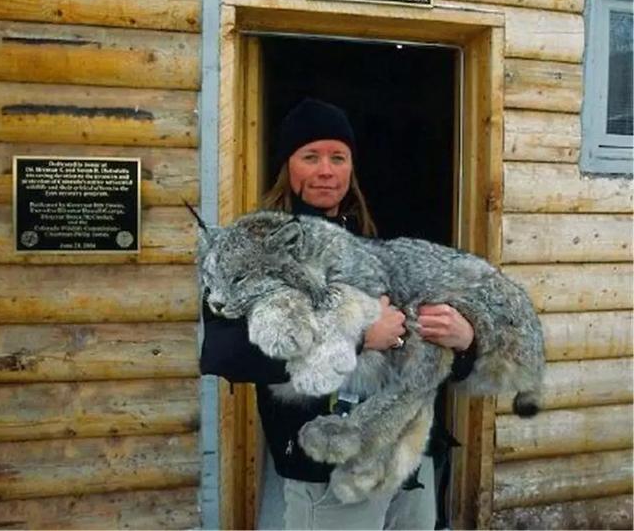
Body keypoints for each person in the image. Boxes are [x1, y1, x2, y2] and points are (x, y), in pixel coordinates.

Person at [201, 98, 476, 530]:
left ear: (351, 168)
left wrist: (464, 342)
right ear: (288, 167)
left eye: (338, 157)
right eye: (310, 157)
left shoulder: (371, 246)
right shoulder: (249, 251)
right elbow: (225, 355)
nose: (325, 170)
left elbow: (416, 343)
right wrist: (359, 339)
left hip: (408, 460)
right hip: (330, 469)